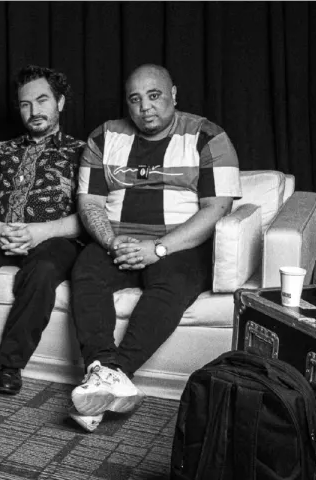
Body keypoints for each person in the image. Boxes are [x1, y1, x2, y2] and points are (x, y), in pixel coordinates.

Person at [69, 64, 241, 432]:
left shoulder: (208, 136)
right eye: (135, 99)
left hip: (179, 244)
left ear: (173, 94)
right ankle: (102, 369)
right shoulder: (104, 136)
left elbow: (217, 208)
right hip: (118, 239)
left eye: (154, 95)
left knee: (173, 282)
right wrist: (111, 241)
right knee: (86, 269)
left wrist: (158, 248)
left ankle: (115, 372)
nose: (145, 107)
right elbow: (89, 203)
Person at [0, 66, 87, 393]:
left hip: (52, 236)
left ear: (60, 103)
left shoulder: (82, 152)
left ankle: (10, 364)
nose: (33, 110)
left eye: (42, 100)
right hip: (1, 230)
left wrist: (39, 232)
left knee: (44, 269)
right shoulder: (2, 150)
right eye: (25, 104)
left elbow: (89, 214)